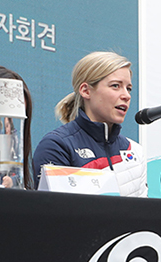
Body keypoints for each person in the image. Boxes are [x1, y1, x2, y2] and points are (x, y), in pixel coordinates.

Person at [33, 51, 147, 197]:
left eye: (128, 88)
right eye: (115, 86)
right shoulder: (57, 145)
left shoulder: (135, 151)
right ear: (86, 91)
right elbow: (52, 213)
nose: (126, 95)